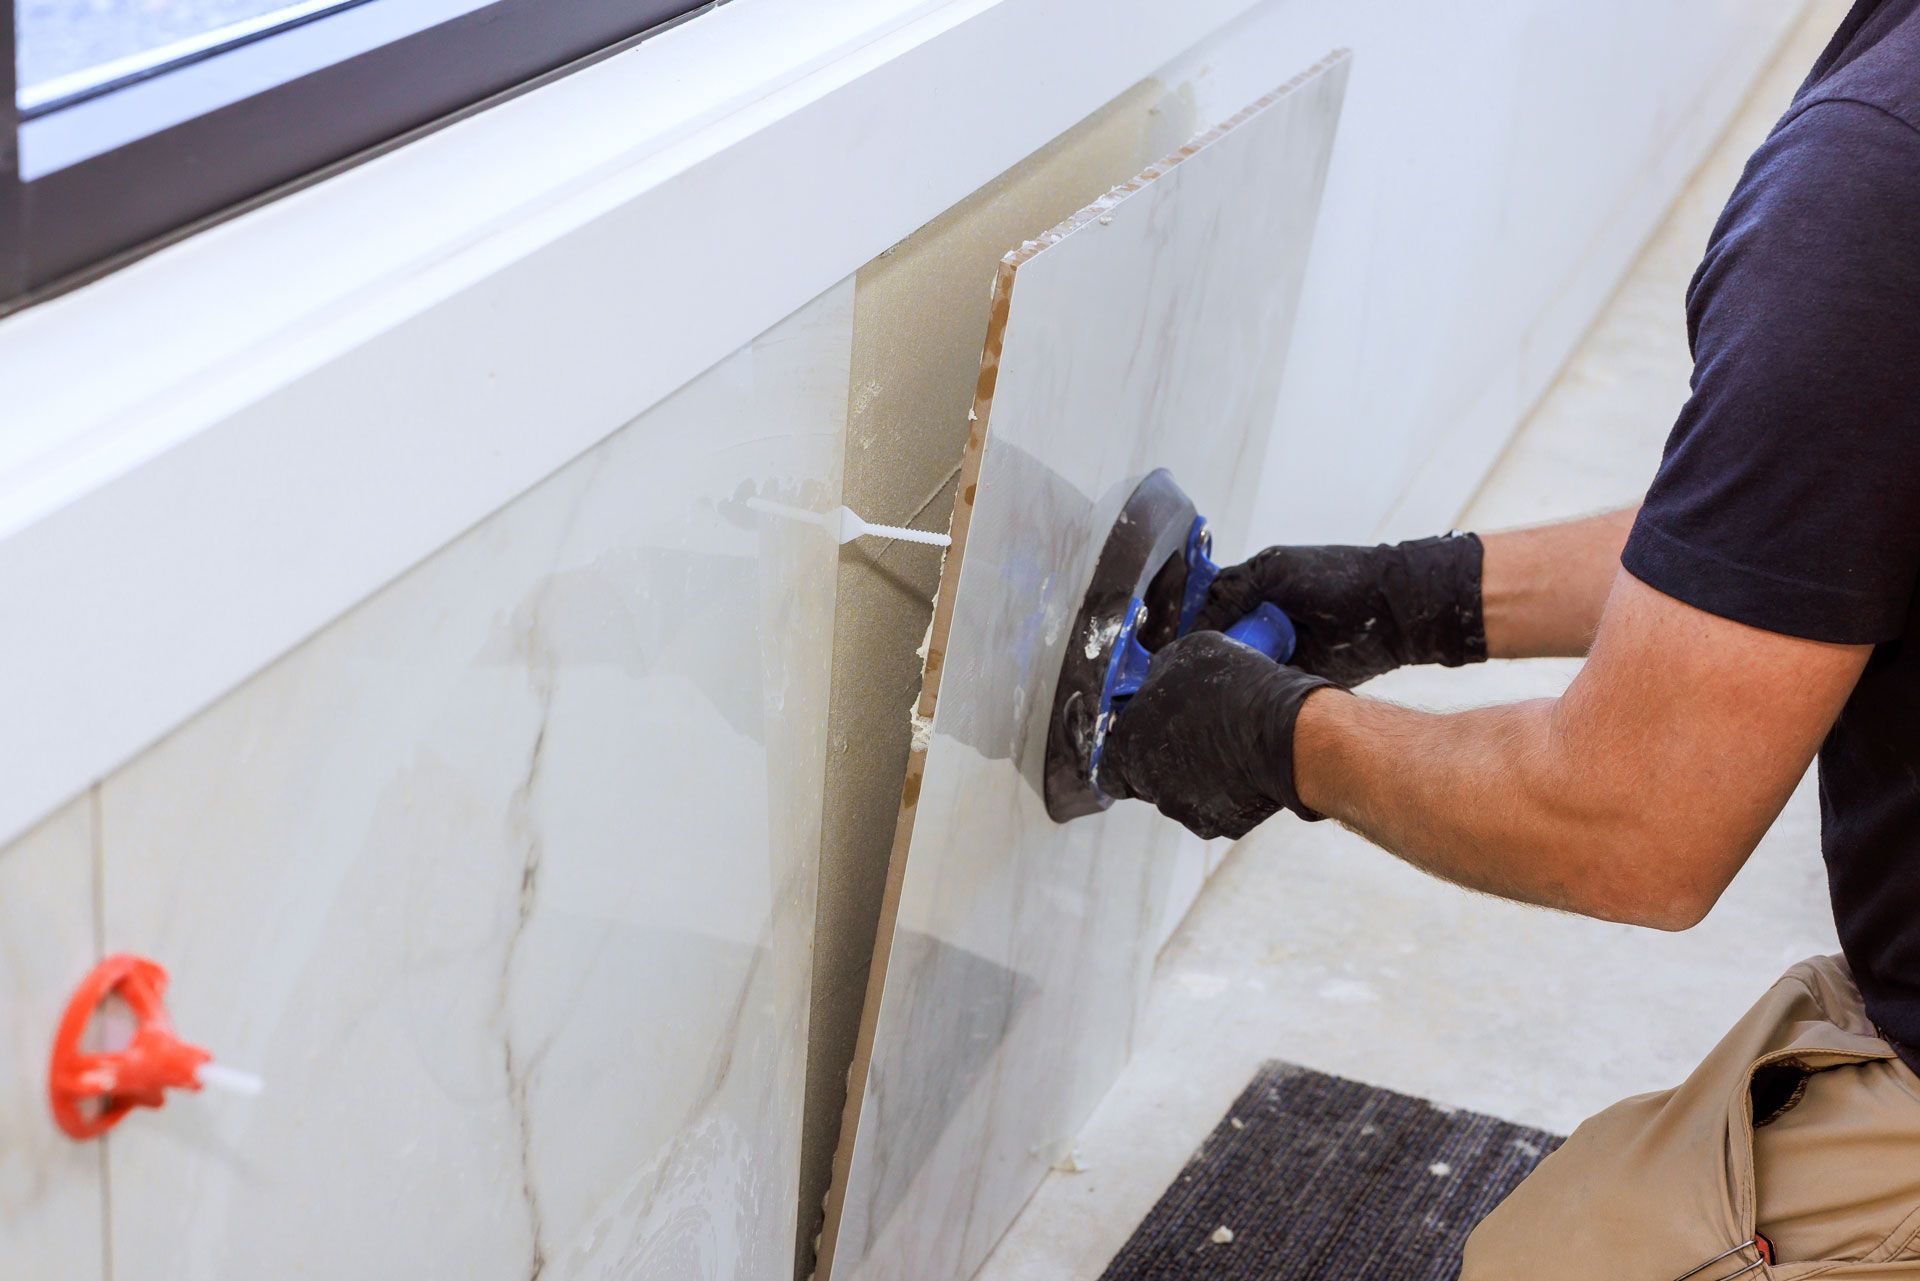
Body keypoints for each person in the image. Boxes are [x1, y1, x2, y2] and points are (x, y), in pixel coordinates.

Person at [1101, 2, 1920, 1276]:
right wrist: (1424, 596)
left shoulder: (1877, 186)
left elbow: (1632, 824)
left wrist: (1284, 743)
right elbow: (1816, 525)